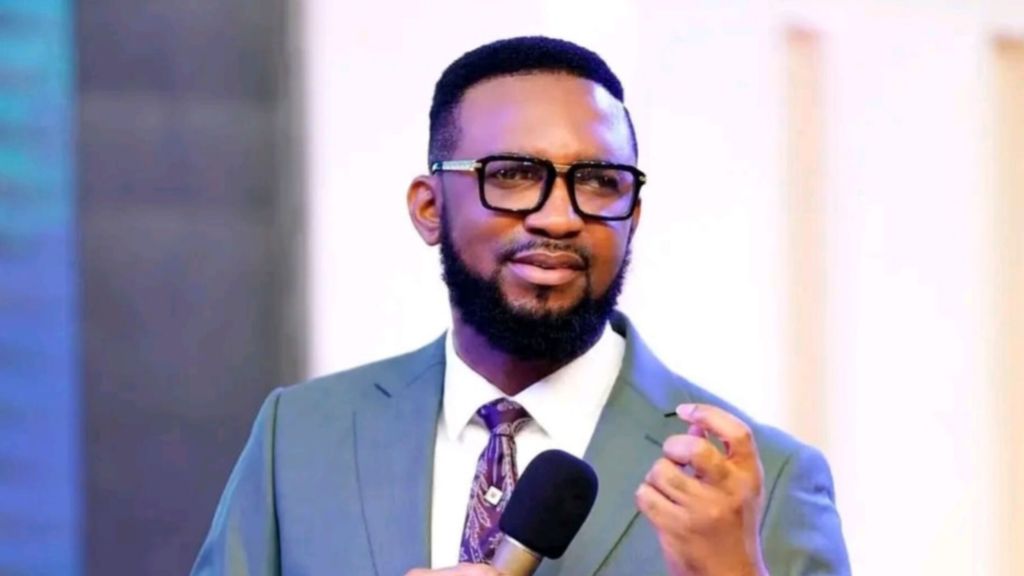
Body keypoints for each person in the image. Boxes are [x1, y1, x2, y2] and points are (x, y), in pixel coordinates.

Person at [192, 36, 850, 576]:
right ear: (429, 208)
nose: (560, 217)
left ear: (634, 216)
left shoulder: (756, 482)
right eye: (512, 175)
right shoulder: (301, 438)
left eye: (599, 183)